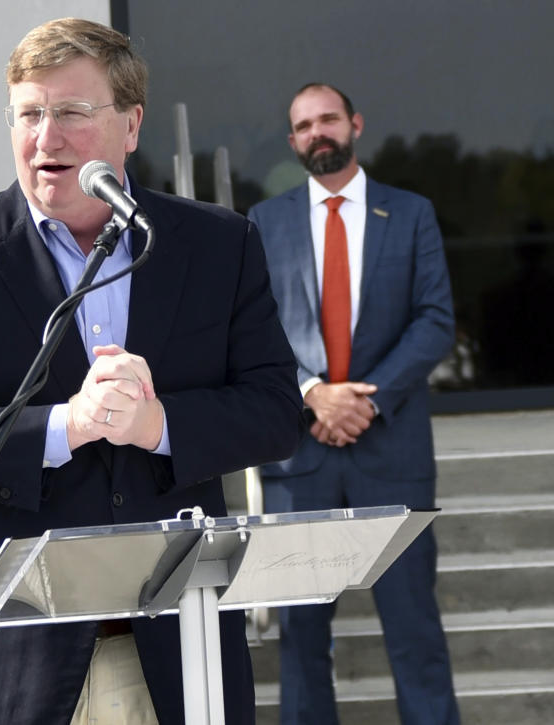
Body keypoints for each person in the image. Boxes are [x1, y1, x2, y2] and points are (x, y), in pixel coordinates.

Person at [0, 17, 304, 725]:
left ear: (131, 125)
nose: (47, 138)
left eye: (72, 112)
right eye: (29, 114)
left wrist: (159, 424)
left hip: (175, 650)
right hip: (12, 655)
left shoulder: (219, 243)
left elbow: (274, 410)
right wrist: (64, 426)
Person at [248, 83, 460, 725]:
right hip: (300, 463)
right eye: (304, 125)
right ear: (293, 142)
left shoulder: (412, 212)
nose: (318, 132)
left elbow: (434, 319)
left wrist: (368, 400)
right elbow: (251, 332)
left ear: (355, 124)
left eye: (328, 119)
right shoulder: (264, 221)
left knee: (415, 635)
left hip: (390, 452)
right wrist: (313, 391)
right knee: (302, 646)